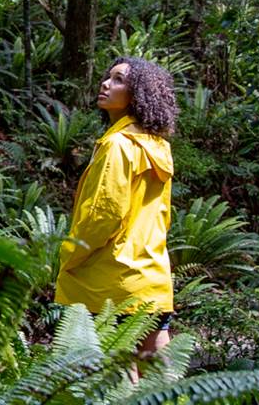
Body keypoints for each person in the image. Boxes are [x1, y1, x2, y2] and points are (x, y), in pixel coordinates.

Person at [55, 57, 179, 355]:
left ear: (138, 93)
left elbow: (103, 216)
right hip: (151, 277)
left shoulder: (118, 145)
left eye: (119, 79)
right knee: (162, 383)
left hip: (110, 281)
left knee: (117, 378)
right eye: (108, 77)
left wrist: (68, 256)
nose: (106, 84)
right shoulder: (158, 146)